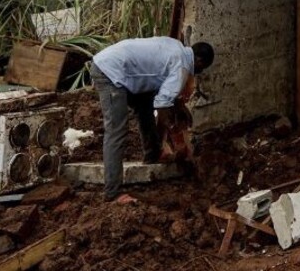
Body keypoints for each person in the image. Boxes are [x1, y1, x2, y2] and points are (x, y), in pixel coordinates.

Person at [90, 37, 214, 201]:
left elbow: (165, 90)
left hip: (120, 66)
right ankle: (112, 193)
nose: (200, 72)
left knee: (144, 107)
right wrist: (170, 130)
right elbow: (162, 105)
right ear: (198, 60)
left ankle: (153, 155)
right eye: (202, 68)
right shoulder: (183, 66)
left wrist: (178, 106)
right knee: (116, 130)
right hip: (110, 72)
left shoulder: (176, 47)